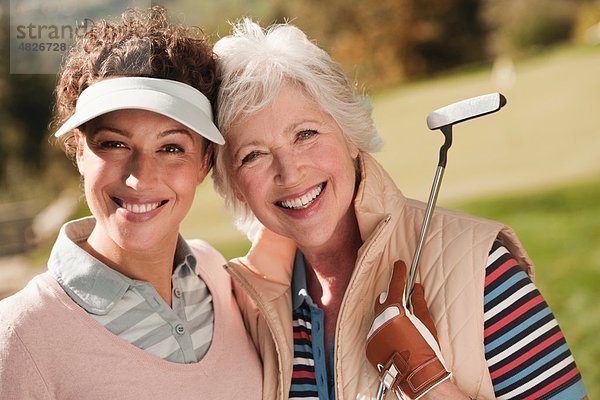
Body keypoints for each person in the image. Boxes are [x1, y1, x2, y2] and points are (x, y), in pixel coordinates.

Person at [210, 18, 588, 400]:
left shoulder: (479, 267)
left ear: (351, 137)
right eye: (253, 155)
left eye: (305, 134)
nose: (290, 173)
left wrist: (429, 386)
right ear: (234, 185)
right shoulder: (251, 308)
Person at [0, 7, 262, 399]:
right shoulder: (19, 335)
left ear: (204, 163)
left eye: (171, 148)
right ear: (78, 152)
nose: (140, 176)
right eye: (115, 144)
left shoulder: (218, 277)